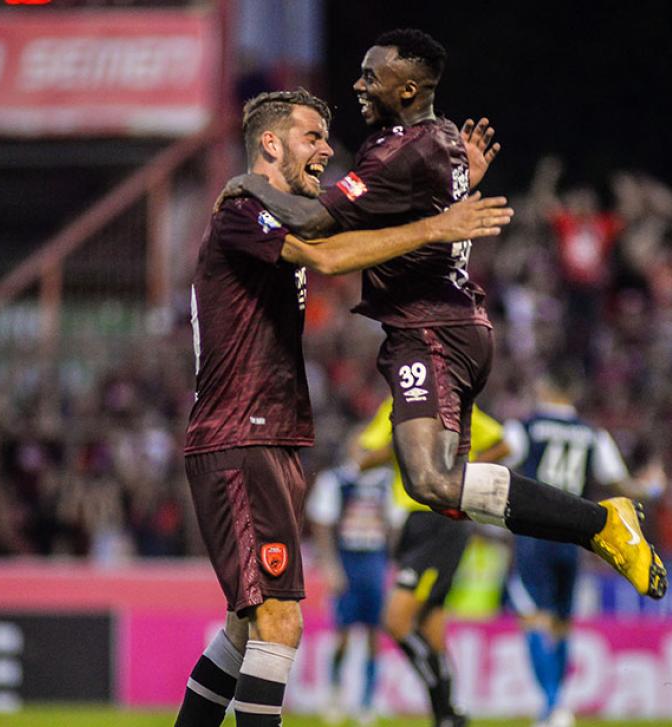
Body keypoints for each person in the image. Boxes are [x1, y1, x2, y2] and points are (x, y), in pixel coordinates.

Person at [224, 29, 667, 601]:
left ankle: (603, 525)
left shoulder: (398, 150)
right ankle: (596, 528)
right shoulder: (443, 140)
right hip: (452, 324)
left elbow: (313, 223)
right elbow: (413, 203)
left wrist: (246, 186)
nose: (358, 85)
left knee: (432, 481)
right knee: (447, 493)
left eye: (370, 76)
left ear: (406, 88)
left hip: (430, 329)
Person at [174, 88, 512, 727]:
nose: (328, 149)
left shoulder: (287, 213)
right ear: (270, 143)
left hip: (267, 436)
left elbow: (374, 233)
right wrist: (441, 224)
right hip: (241, 435)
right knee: (280, 621)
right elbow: (331, 256)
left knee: (245, 631)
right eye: (312, 136)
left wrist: (448, 194)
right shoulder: (246, 209)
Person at [502, 369, 665, 727]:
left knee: (533, 618)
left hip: (533, 536)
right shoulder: (594, 435)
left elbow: (499, 461)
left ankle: (551, 705)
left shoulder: (524, 427)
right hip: (573, 539)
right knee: (562, 623)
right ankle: (557, 709)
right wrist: (653, 488)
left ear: (545, 388)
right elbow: (621, 484)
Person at [357, 397, 511, 727]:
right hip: (415, 522)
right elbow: (363, 456)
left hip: (440, 520)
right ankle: (447, 714)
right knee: (431, 622)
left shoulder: (450, 405)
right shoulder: (395, 404)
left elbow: (502, 445)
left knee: (396, 620)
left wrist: (460, 478)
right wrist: (400, 450)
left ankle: (445, 703)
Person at [306, 457, 394, 726]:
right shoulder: (337, 480)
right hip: (348, 560)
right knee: (342, 634)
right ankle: (334, 694)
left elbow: (394, 523)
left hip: (374, 560)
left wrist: (389, 562)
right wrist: (331, 565)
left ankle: (367, 703)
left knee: (374, 634)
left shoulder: (386, 481)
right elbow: (321, 522)